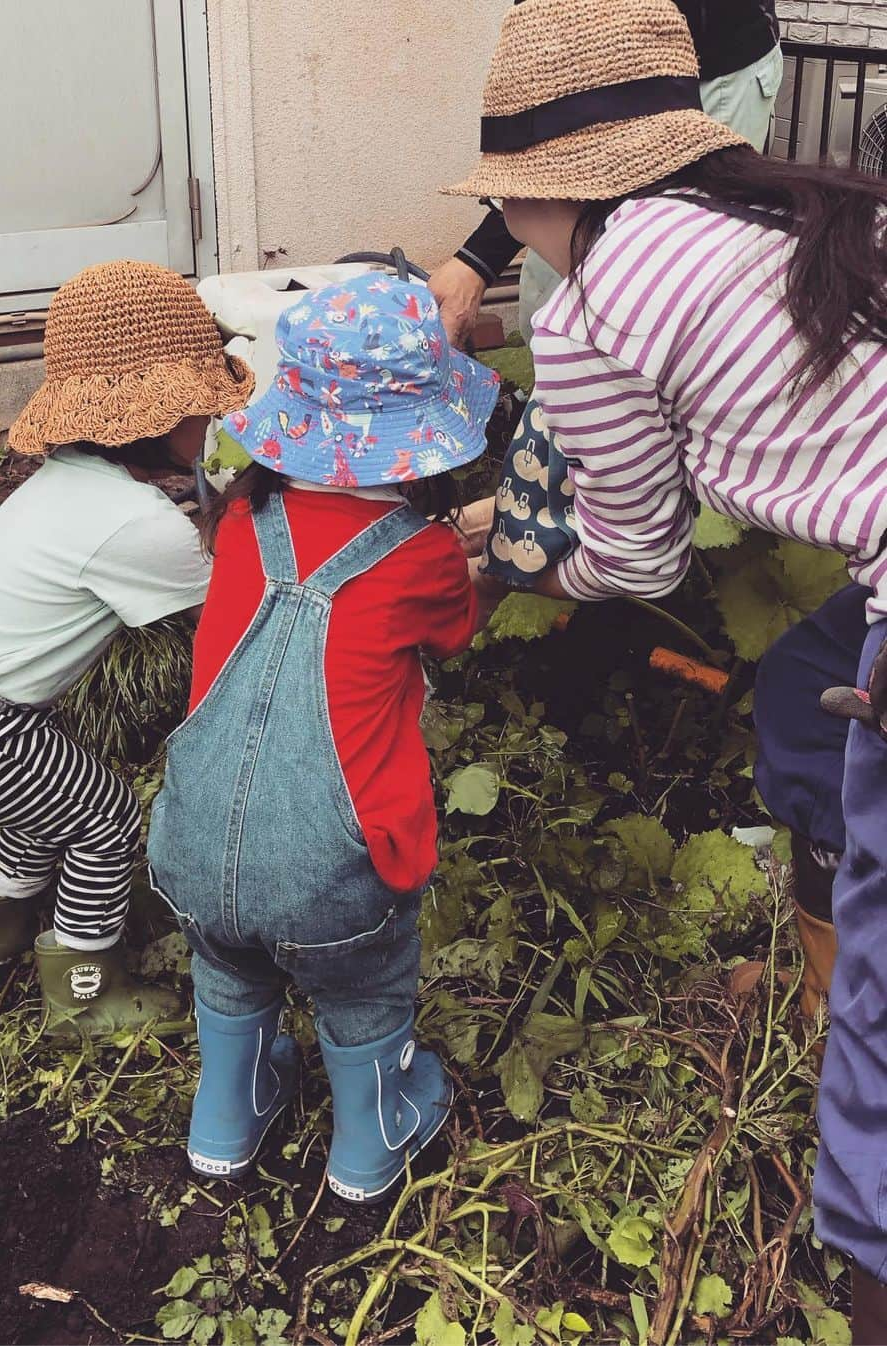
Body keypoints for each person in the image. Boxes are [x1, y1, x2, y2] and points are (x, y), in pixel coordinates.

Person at [445, 0, 887, 1334]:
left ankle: (868, 1251)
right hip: (866, 584)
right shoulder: (774, 217)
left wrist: (519, 566)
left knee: (885, 1010)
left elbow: (635, 565)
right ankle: (817, 967)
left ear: (533, 194)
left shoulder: (583, 324)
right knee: (804, 709)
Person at [146, 275, 500, 1200]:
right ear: (420, 442)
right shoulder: (421, 551)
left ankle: (225, 1118)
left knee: (229, 967)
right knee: (362, 988)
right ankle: (371, 1141)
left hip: (190, 847)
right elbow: (454, 630)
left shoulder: (239, 524)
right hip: (333, 873)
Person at [0, 260, 254, 1037]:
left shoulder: (73, 480)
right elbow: (238, 591)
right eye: (202, 409)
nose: (213, 423)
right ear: (155, 422)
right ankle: (83, 989)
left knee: (46, 800)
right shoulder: (137, 527)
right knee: (102, 816)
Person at [429, 0, 782, 348]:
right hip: (612, 77)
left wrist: (478, 262)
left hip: (714, 62)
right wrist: (476, 263)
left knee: (619, 310)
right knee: (550, 305)